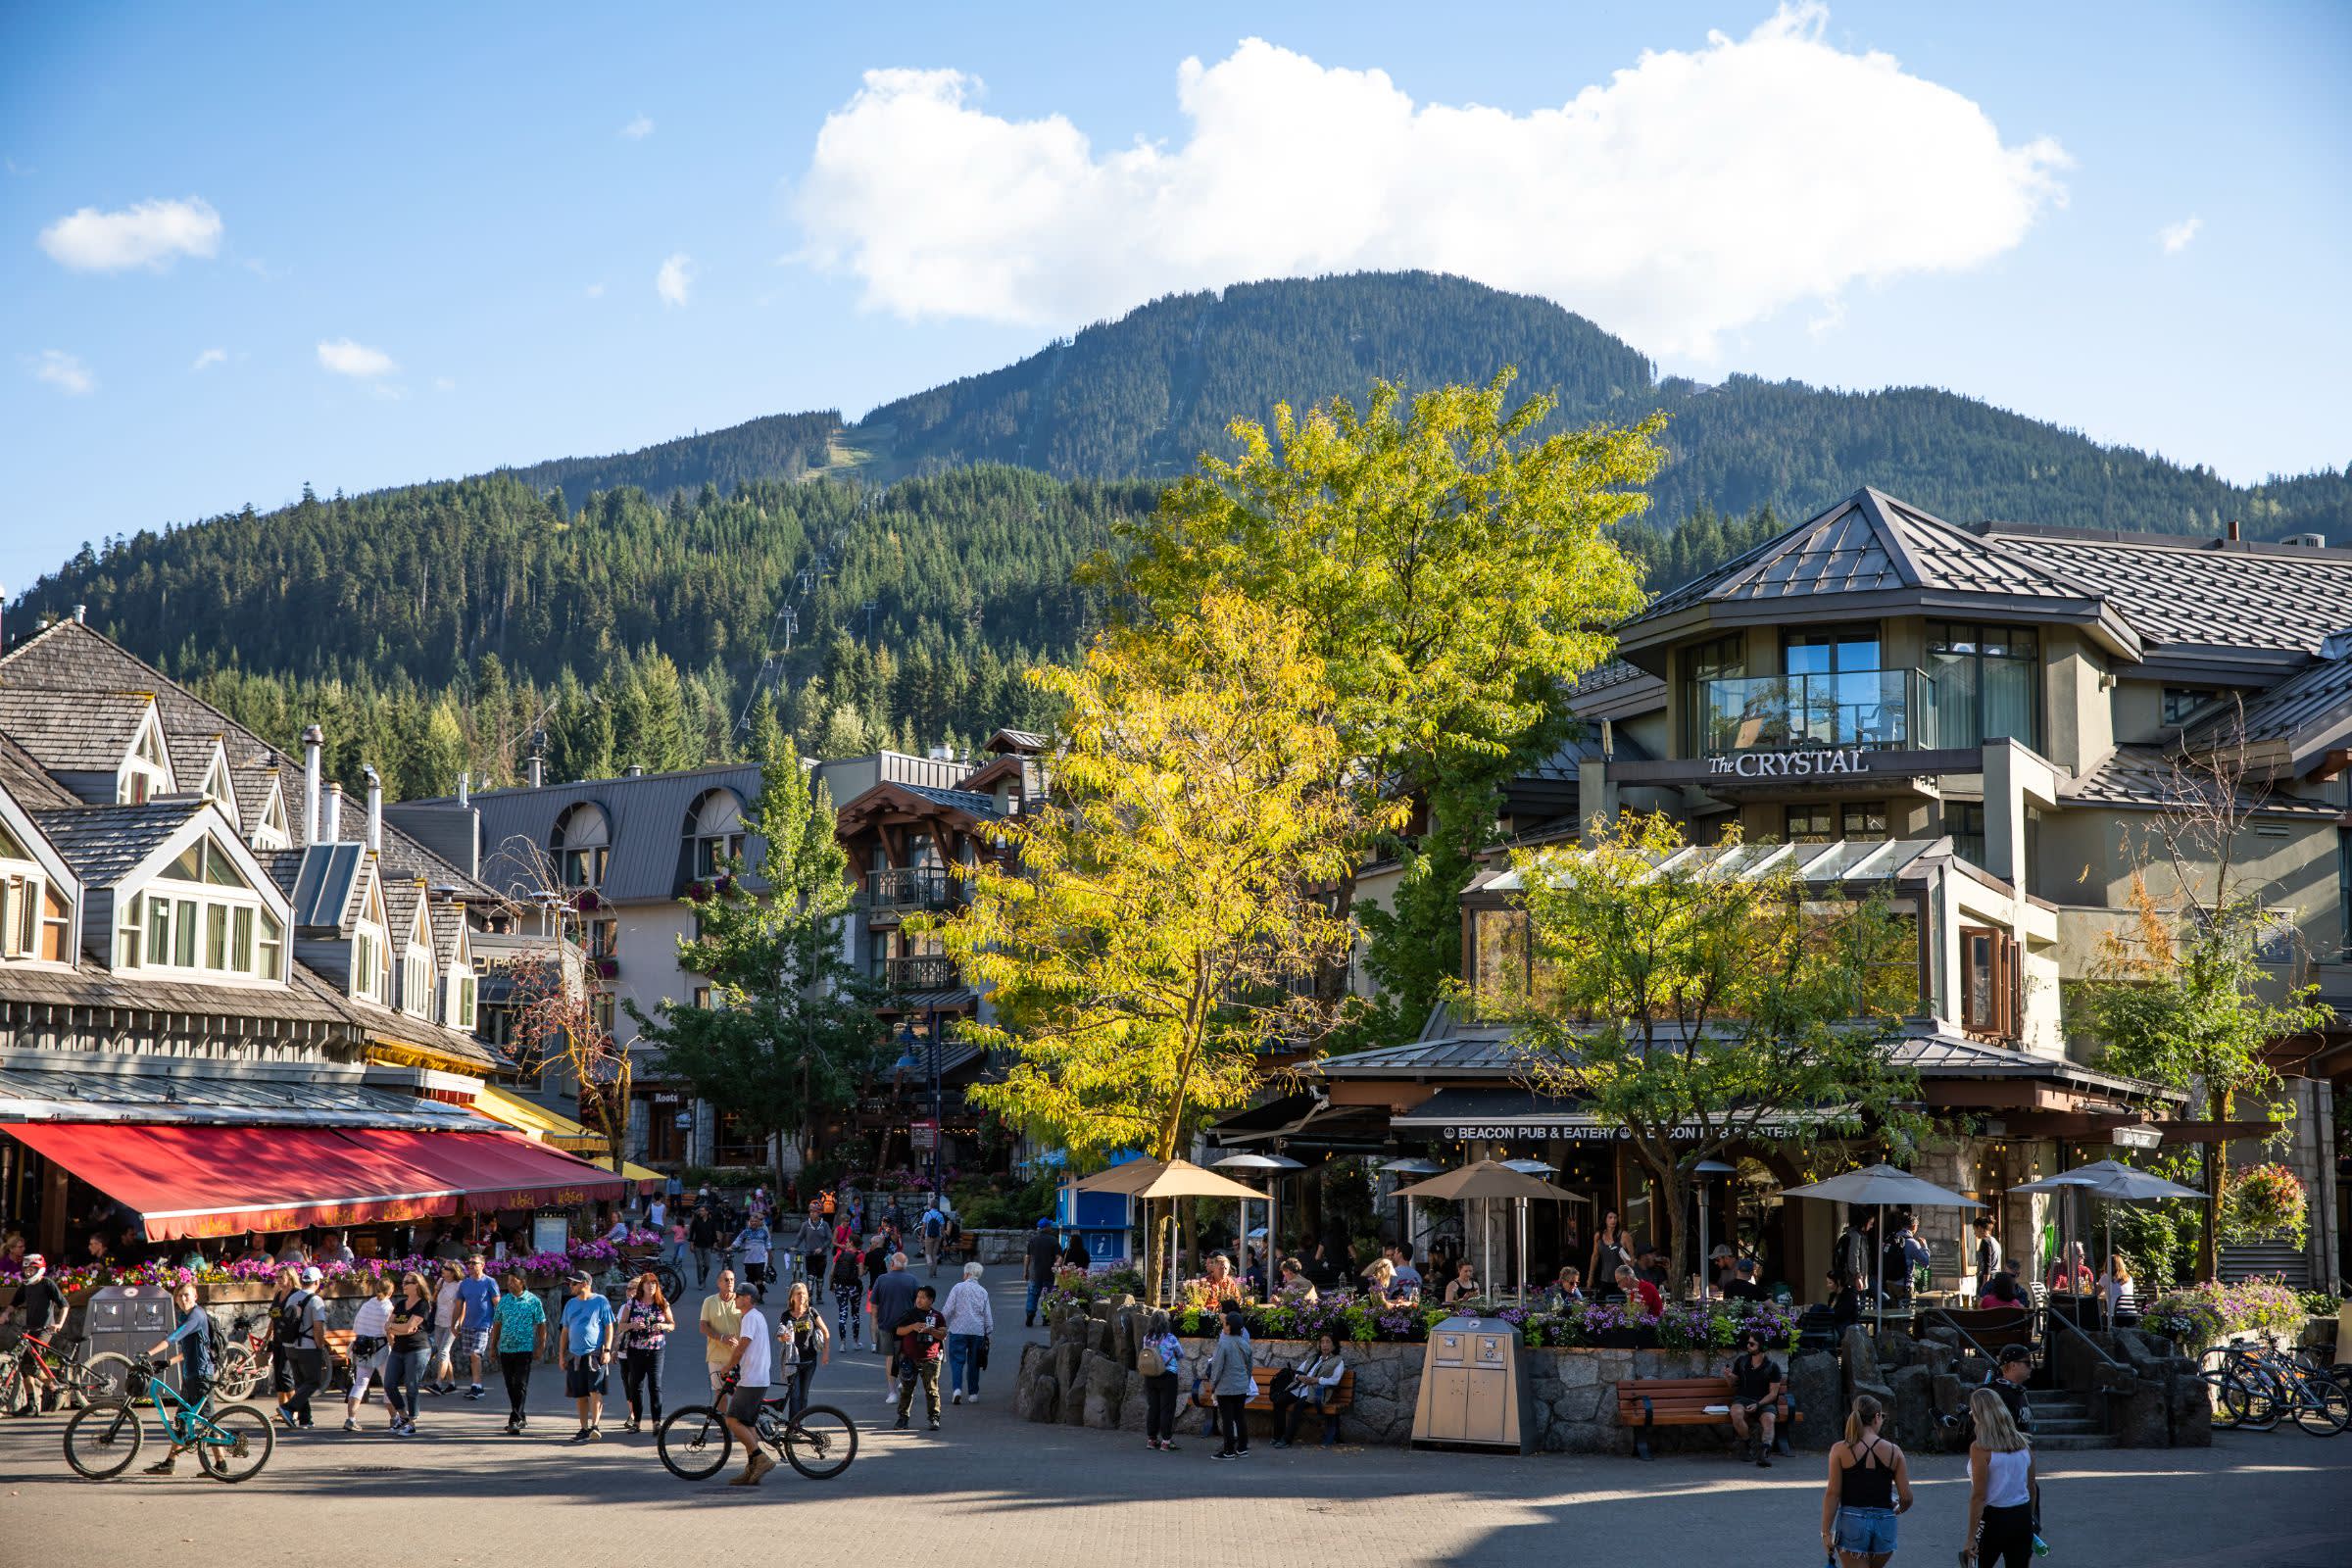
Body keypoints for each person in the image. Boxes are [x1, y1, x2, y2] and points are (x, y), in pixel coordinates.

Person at [1820, 1392, 1914, 1567]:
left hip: (1852, 1521)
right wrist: (1897, 1509)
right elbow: (1907, 1497)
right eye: (1882, 1416)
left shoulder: (1840, 1449)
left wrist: (1825, 1532)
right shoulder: (1894, 1451)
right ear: (1876, 1417)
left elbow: (1833, 1493)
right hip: (1885, 1522)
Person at [138, 1280, 216, 1474]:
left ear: (195, 1296)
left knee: (208, 1421)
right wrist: (168, 1362)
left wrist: (149, 1353)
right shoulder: (185, 1315)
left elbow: (174, 1337)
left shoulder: (196, 1315)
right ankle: (170, 1462)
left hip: (202, 1376)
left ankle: (221, 1463)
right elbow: (188, 1349)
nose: (183, 1299)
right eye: (179, 1296)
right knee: (182, 1418)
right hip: (191, 1375)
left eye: (187, 1295)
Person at [1962, 1387, 2038, 1568]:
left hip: (1993, 1518)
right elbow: (2032, 1489)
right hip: (2022, 1515)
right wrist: (2029, 1520)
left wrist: (1970, 1538)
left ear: (1978, 1414)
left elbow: (1979, 1496)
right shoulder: (2024, 1444)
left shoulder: (1980, 1448)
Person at [718, 1281, 776, 1487]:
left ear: (748, 1299)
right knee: (748, 1424)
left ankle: (761, 1458)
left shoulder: (750, 1317)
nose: (735, 1298)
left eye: (739, 1296)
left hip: (752, 1379)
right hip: (756, 1377)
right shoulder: (755, 1316)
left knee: (732, 1420)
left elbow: (742, 1346)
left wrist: (727, 1367)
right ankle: (752, 1468)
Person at [3, 1253, 69, 1414]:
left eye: (31, 1270)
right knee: (23, 1367)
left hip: (45, 1330)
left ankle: (54, 1386)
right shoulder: (26, 1286)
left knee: (31, 1365)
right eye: (26, 1270)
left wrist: (59, 1324)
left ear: (39, 1269)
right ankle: (31, 1404)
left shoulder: (47, 1283)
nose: (28, 1273)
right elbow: (14, 1303)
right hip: (30, 1329)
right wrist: (5, 1314)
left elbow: (64, 1305)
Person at [558, 1269, 615, 1442]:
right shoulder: (570, 1304)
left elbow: (609, 1327)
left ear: (584, 1283)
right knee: (580, 1394)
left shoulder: (600, 1301)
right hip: (575, 1355)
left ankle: (594, 1426)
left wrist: (607, 1350)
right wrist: (561, 1355)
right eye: (570, 1283)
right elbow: (565, 1331)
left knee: (595, 1391)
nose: (570, 1286)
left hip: (595, 1353)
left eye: (573, 1283)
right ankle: (583, 1429)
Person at [617, 1269, 674, 1434]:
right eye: (648, 1283)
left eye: (654, 1283)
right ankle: (637, 1422)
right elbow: (621, 1326)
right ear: (642, 1286)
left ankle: (656, 1422)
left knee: (655, 1385)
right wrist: (633, 1325)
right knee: (636, 1386)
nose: (651, 1286)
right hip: (635, 1350)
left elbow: (672, 1324)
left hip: (656, 1350)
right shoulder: (632, 1303)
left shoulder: (662, 1302)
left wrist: (662, 1325)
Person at [1271, 1332, 1348, 1448]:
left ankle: (1287, 1439)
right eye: (1322, 1342)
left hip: (1316, 1392)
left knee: (1298, 1406)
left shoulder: (1338, 1361)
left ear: (1334, 1345)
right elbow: (1298, 1371)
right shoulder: (1313, 1358)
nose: (1324, 1345)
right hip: (1300, 1387)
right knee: (1279, 1401)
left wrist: (1317, 1380)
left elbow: (1335, 1380)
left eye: (1328, 1342)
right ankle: (1277, 1436)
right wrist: (1300, 1377)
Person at [492, 1269, 546, 1434]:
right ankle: (521, 1416)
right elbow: (497, 1324)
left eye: (512, 1281)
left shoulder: (533, 1301)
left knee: (520, 1384)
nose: (508, 1284)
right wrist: (493, 1347)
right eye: (508, 1281)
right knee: (510, 1384)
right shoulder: (504, 1301)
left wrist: (541, 1346)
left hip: (524, 1348)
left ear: (522, 1282)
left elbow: (541, 1324)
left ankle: (514, 1420)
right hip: (506, 1349)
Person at [273, 1265, 326, 1430]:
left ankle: (305, 1419)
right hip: (308, 1347)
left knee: (300, 1383)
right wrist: (320, 1347)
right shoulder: (316, 1300)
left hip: (290, 1346)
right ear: (317, 1282)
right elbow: (318, 1328)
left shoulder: (293, 1297)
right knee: (313, 1382)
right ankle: (288, 1408)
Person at [342, 1275, 397, 1432]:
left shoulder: (366, 1305)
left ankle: (351, 1419)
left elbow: (356, 1327)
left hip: (362, 1347)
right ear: (391, 1292)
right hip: (381, 1348)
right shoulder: (388, 1308)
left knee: (360, 1383)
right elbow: (388, 1331)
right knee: (388, 1384)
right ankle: (394, 1418)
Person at [384, 1270, 435, 1437]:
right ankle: (403, 1416)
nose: (403, 1285)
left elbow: (408, 1328)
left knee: (411, 1385)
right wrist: (397, 1329)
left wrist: (394, 1328)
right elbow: (388, 1326)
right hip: (398, 1349)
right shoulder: (400, 1304)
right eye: (403, 1282)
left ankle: (412, 1422)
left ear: (417, 1285)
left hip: (417, 1349)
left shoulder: (423, 1304)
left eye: (407, 1282)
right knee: (389, 1384)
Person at [892, 1283, 948, 1431]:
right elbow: (898, 1331)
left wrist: (931, 1331)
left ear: (931, 1300)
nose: (919, 1300)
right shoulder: (909, 1314)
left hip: (931, 1358)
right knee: (906, 1389)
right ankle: (902, 1418)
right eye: (918, 1297)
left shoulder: (937, 1316)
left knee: (932, 1390)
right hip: (909, 1358)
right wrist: (912, 1326)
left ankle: (934, 1418)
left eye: (923, 1297)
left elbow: (943, 1334)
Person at [1726, 1328, 1785, 1466]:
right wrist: (1728, 1376)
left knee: (1769, 1420)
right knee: (1736, 1414)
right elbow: (1732, 1384)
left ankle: (1764, 1453)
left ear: (1762, 1347)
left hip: (1764, 1402)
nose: (1748, 1346)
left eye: (1752, 1344)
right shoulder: (1742, 1361)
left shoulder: (1772, 1367)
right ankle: (1748, 1444)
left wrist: (1758, 1404)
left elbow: (1773, 1394)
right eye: (1748, 1343)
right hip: (1742, 1399)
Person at [940, 1259, 994, 1405]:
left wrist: (940, 1322)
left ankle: (957, 1389)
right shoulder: (983, 1291)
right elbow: (987, 1314)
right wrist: (988, 1330)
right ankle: (973, 1393)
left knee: (957, 1361)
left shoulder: (958, 1287)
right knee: (974, 1362)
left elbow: (948, 1308)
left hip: (958, 1329)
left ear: (967, 1274)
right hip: (977, 1330)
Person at [777, 1280, 830, 1418]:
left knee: (803, 1395)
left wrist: (825, 1353)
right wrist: (783, 1337)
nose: (802, 1296)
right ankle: (792, 1424)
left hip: (809, 1360)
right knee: (794, 1395)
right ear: (792, 1297)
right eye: (798, 1294)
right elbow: (780, 1335)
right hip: (792, 1360)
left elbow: (826, 1332)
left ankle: (800, 1422)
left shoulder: (812, 1312)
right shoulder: (786, 1315)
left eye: (804, 1294)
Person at [871, 1250, 921, 1396]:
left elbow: (874, 1305)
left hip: (887, 1324)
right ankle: (903, 1381)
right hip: (907, 1325)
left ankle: (892, 1392)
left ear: (892, 1263)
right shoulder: (913, 1280)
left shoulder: (881, 1279)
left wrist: (875, 1322)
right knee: (905, 1354)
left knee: (890, 1357)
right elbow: (919, 1303)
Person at [1208, 1309, 1253, 1459]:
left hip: (1225, 1387)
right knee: (1240, 1417)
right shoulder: (1245, 1344)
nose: (1223, 1325)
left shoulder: (1223, 1343)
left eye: (1225, 1323)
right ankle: (1242, 1448)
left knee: (1227, 1419)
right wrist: (1246, 1382)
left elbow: (1217, 1367)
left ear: (1228, 1326)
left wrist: (1213, 1385)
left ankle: (1228, 1451)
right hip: (1241, 1386)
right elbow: (1249, 1367)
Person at [453, 1252, 499, 1400]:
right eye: (469, 1263)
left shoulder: (490, 1282)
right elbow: (458, 1305)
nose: (471, 1265)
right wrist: (454, 1324)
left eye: (474, 1263)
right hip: (467, 1325)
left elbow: (497, 1304)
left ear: (482, 1265)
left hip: (484, 1324)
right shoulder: (464, 1283)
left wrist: (499, 1324)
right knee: (472, 1357)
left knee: (475, 1353)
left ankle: (476, 1386)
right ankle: (477, 1386)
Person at [1140, 1309, 1184, 1451]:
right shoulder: (1170, 1338)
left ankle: (1151, 1440)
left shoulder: (1147, 1338)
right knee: (1167, 1409)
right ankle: (1166, 1441)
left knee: (1153, 1408)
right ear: (1166, 1323)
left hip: (1150, 1375)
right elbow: (1180, 1354)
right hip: (1168, 1376)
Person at [700, 1265, 743, 1396]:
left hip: (737, 1356)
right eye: (726, 1280)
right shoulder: (709, 1301)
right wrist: (722, 1338)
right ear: (718, 1283)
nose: (730, 1282)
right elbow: (703, 1327)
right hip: (716, 1356)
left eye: (732, 1280)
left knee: (739, 1395)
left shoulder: (741, 1301)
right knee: (720, 1393)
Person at [425, 1258, 464, 1396]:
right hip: (439, 1321)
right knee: (444, 1353)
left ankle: (438, 1384)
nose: (442, 1270)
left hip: (452, 1323)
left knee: (442, 1352)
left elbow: (463, 1306)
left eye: (446, 1268)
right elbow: (433, 1300)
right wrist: (436, 1291)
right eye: (443, 1267)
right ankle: (452, 1384)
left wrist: (459, 1324)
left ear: (453, 1272)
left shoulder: (460, 1285)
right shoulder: (441, 1281)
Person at [1984, 1345, 2034, 1437]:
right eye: (2028, 1363)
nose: (2031, 1366)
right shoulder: (1997, 1394)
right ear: (2013, 1365)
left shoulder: (2018, 1391)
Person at [829, 1230, 866, 1349]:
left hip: (840, 1286)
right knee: (855, 1314)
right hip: (854, 1287)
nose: (845, 1242)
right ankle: (855, 1342)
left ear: (851, 1243)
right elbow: (860, 1273)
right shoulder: (860, 1255)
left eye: (847, 1241)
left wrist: (831, 1285)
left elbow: (832, 1272)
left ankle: (842, 1344)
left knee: (842, 1313)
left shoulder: (840, 1253)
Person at [1883, 1216, 1931, 1308]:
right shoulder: (1912, 1242)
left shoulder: (1891, 1238)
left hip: (1889, 1284)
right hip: (1904, 1286)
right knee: (1907, 1315)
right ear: (1914, 1226)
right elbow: (1926, 1263)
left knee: (1893, 1314)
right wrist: (1925, 1247)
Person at [734, 1210, 774, 1302]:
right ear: (749, 1222)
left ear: (759, 1223)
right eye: (751, 1221)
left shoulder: (763, 1232)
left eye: (755, 1221)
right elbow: (738, 1240)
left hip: (760, 1260)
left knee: (759, 1279)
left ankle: (760, 1296)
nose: (753, 1223)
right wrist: (731, 1247)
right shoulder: (745, 1232)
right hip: (748, 1260)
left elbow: (768, 1245)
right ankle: (753, 1296)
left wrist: (770, 1256)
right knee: (750, 1280)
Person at [1589, 1209, 1633, 1293]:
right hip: (1604, 1279)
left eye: (1615, 1218)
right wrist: (1590, 1277)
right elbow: (1595, 1256)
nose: (1613, 1220)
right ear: (1605, 1219)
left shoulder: (1624, 1235)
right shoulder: (1599, 1235)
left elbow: (1632, 1258)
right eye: (1610, 1217)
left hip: (1622, 1280)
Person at [794, 1201, 832, 1290]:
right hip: (809, 1254)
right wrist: (794, 1246)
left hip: (821, 1255)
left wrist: (821, 1248)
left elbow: (829, 1239)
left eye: (814, 1212)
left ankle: (819, 1294)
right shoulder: (805, 1224)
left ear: (819, 1213)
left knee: (820, 1277)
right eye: (810, 1211)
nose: (812, 1213)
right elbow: (799, 1237)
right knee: (810, 1276)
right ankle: (809, 1294)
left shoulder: (825, 1225)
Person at [688, 1205, 721, 1288]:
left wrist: (715, 1243)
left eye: (702, 1211)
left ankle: (703, 1278)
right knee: (699, 1264)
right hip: (697, 1245)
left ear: (707, 1212)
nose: (700, 1212)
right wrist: (691, 1244)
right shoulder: (696, 1221)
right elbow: (692, 1233)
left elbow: (714, 1234)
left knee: (707, 1266)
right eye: (700, 1211)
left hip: (707, 1246)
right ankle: (701, 1282)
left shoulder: (711, 1221)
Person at [2099, 1253, 2136, 1322]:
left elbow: (2095, 1293)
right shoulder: (2129, 1278)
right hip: (2132, 1317)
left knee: (2099, 1319)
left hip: (2116, 1318)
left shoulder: (2106, 1277)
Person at [1971, 1215, 2003, 1290]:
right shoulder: (1994, 1241)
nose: (1974, 1233)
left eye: (1974, 1229)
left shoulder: (1985, 1242)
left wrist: (1984, 1285)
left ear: (1979, 1228)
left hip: (1988, 1280)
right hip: (1996, 1278)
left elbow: (1987, 1264)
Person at [920, 1198, 948, 1277]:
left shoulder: (927, 1214)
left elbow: (924, 1227)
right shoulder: (940, 1215)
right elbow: (942, 1229)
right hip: (938, 1236)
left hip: (928, 1236)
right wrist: (944, 1239)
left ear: (931, 1205)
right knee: (934, 1254)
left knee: (928, 1253)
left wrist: (921, 1236)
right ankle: (934, 1273)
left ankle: (930, 1269)